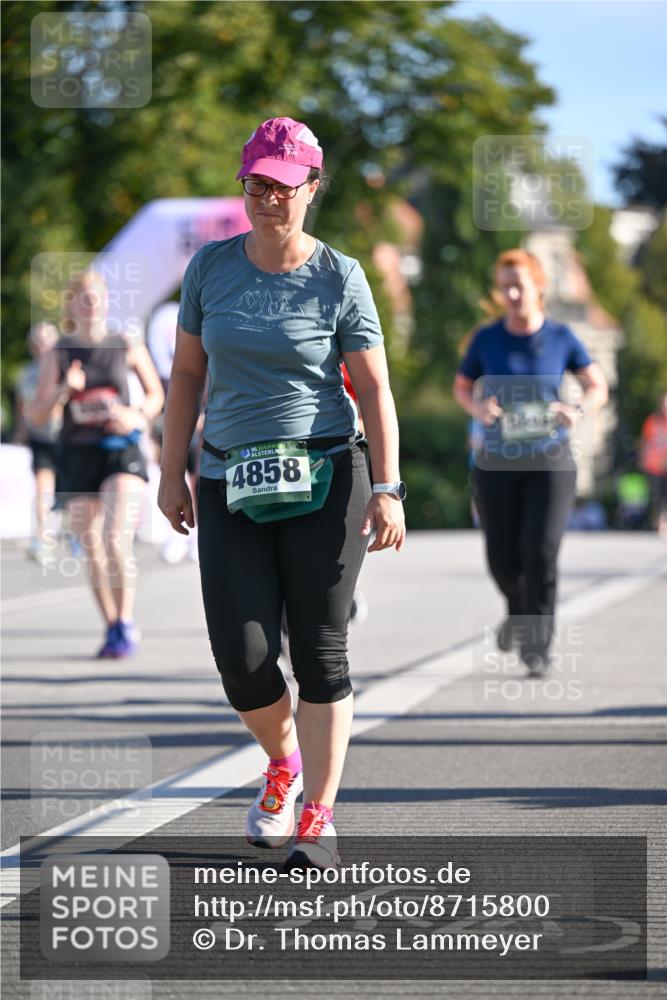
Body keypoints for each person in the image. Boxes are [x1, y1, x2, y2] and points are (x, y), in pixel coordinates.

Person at [157, 116, 406, 870]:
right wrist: (172, 470)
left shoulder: (340, 276)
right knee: (242, 655)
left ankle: (318, 816)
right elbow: (188, 376)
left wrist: (389, 488)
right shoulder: (210, 269)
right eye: (255, 184)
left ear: (310, 189)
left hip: (327, 473)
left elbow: (372, 387)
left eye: (281, 186)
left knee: (322, 652)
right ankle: (282, 763)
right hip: (230, 472)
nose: (266, 199)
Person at [453, 249, 608, 676]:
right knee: (502, 557)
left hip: (550, 460)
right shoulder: (486, 339)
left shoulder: (562, 337)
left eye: (520, 284)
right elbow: (462, 387)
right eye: (505, 287)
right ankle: (518, 610)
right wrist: (478, 409)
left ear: (538, 285)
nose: (513, 293)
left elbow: (598, 386)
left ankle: (537, 646)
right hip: (496, 461)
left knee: (540, 551)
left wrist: (577, 410)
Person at [27, 271, 164, 658]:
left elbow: (156, 395)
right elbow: (37, 416)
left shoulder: (125, 344)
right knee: (91, 545)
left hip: (120, 449)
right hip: (78, 453)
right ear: (71, 305)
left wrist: (136, 416)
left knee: (114, 536)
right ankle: (112, 625)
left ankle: (125, 619)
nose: (90, 303)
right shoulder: (60, 352)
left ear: (106, 302)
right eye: (83, 298)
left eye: (96, 297)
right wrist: (63, 390)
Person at [146, 301, 203, 563]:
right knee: (172, 472)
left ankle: (196, 536)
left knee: (197, 475)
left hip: (202, 413)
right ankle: (177, 535)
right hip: (174, 413)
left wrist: (204, 414)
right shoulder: (165, 319)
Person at [14, 322, 62, 562]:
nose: (42, 346)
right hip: (40, 437)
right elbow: (23, 406)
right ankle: (44, 538)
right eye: (38, 341)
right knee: (43, 486)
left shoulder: (66, 368)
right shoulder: (27, 373)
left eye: (47, 340)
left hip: (66, 437)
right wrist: (21, 430)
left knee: (71, 489)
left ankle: (78, 536)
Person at [639, 393, 667, 537]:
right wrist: (642, 458)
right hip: (654, 465)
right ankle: (658, 523)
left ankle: (664, 522)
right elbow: (644, 441)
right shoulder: (652, 421)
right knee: (657, 496)